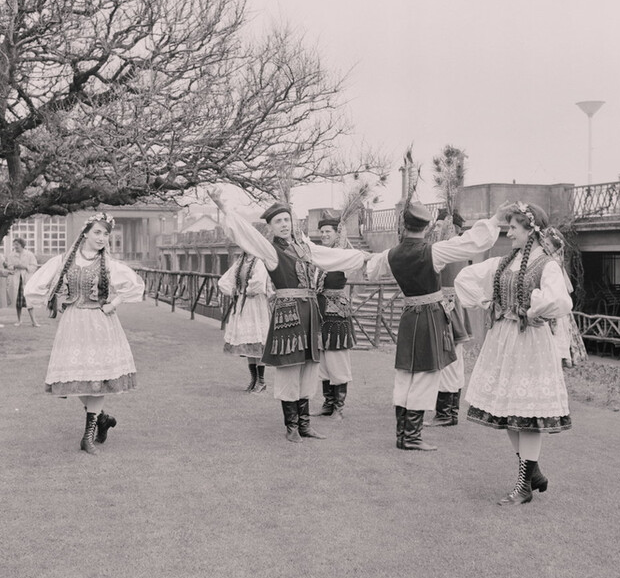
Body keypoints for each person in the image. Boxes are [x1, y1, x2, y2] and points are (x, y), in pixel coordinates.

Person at [209, 188, 368, 443]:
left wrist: (361, 257)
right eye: (278, 221)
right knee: (289, 367)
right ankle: (291, 426)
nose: (284, 225)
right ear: (271, 227)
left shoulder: (305, 248)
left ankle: (305, 425)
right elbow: (247, 235)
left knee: (309, 366)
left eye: (286, 220)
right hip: (289, 314)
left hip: (310, 313)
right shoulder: (271, 251)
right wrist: (225, 208)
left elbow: (332, 256)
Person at [455, 202, 573, 505]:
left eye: (514, 228)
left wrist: (536, 308)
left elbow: (560, 301)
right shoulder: (504, 262)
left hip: (531, 343)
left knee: (527, 414)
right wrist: (485, 302)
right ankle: (531, 472)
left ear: (531, 230)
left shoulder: (546, 264)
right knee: (509, 413)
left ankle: (524, 484)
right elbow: (464, 279)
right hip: (504, 341)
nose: (509, 233)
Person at [366, 202, 508, 451]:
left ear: (403, 225)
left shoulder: (390, 254)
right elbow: (470, 243)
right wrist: (494, 220)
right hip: (430, 316)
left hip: (409, 315)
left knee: (405, 373)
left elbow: (371, 271)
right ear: (428, 226)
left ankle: (403, 434)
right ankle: (411, 437)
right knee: (426, 374)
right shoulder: (433, 252)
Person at [23, 212, 145, 455]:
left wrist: (114, 303)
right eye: (97, 232)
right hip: (73, 324)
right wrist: (54, 298)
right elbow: (34, 287)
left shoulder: (108, 264)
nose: (102, 238)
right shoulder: (63, 261)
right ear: (85, 233)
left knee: (97, 380)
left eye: (106, 234)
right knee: (73, 380)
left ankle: (87, 436)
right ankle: (101, 419)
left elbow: (135, 285)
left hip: (100, 324)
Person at [424, 211, 476, 429]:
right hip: (454, 308)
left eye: (439, 226)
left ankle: (445, 413)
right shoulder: (456, 247)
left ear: (451, 228)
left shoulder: (449, 249)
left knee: (447, 362)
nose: (435, 230)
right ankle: (450, 412)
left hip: (447, 308)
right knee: (454, 362)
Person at [314, 214, 358, 419]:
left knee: (337, 359)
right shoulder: (319, 256)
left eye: (328, 232)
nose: (324, 235)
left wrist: (343, 243)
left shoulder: (343, 255)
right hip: (321, 312)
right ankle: (328, 403)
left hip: (337, 314)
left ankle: (339, 407)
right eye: (321, 232)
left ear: (336, 234)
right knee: (323, 360)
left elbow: (355, 263)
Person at [217, 252, 272, 392]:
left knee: (257, 340)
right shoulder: (240, 261)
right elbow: (225, 280)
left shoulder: (259, 261)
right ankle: (253, 379)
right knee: (248, 341)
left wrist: (247, 290)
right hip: (243, 303)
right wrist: (234, 290)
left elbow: (259, 282)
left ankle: (261, 381)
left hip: (255, 304)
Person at [540, 227, 588, 368]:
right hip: (553, 303)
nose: (545, 247)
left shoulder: (553, 262)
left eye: (547, 244)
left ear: (555, 247)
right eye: (544, 244)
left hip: (555, 305)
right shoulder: (550, 260)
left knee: (556, 336)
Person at [6, 237, 41, 327]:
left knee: (29, 300)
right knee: (18, 302)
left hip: (26, 279)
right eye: (14, 245)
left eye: (17, 244)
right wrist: (15, 266)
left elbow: (34, 265)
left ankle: (34, 321)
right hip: (17, 279)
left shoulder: (29, 254)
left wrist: (25, 267)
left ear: (22, 245)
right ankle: (19, 320)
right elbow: (9, 266)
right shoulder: (11, 255)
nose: (15, 246)